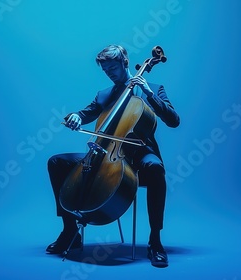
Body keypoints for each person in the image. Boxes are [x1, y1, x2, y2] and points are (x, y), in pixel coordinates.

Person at [46, 44, 180, 268]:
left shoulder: (154, 88)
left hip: (140, 154)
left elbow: (174, 121)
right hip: (106, 155)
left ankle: (155, 241)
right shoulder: (105, 94)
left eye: (112, 69)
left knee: (156, 169)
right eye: (105, 70)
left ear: (125, 63)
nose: (109, 73)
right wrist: (76, 116)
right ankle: (70, 230)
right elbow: (87, 113)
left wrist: (148, 93)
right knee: (57, 162)